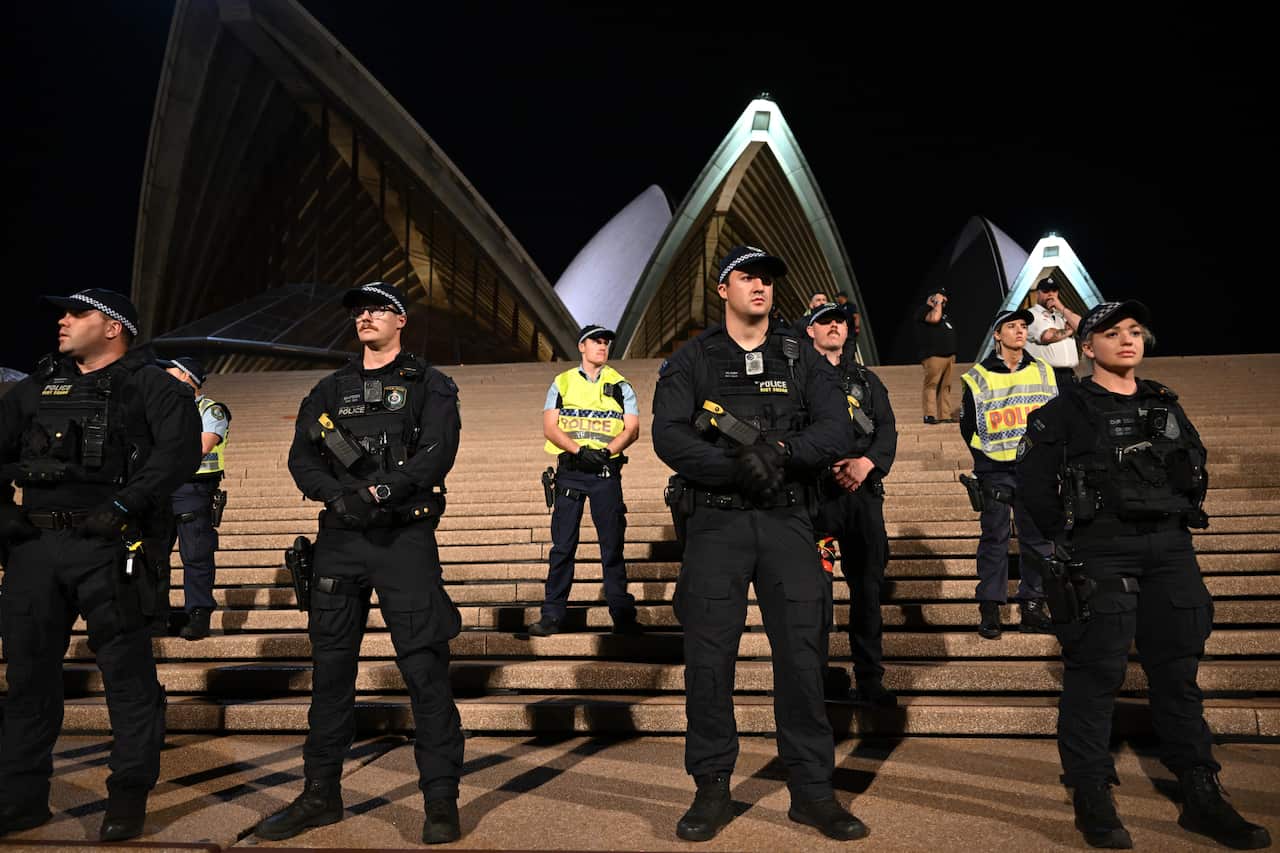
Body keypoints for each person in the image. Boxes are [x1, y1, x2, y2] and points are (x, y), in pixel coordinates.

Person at [1018, 301, 1271, 850]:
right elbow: (1032, 485)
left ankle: (1201, 794)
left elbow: (1193, 463)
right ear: (1088, 348)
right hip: (1102, 548)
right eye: (1112, 333)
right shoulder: (1064, 409)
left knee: (1178, 675)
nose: (1127, 340)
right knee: (1095, 675)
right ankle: (1091, 794)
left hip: (1170, 547)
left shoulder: (1165, 403)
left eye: (1134, 331)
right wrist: (1069, 545)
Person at [653, 245, 868, 842]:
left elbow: (836, 428)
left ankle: (813, 792)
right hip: (716, 525)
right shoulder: (691, 359)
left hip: (788, 522)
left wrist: (777, 453)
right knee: (709, 661)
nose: (760, 287)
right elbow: (669, 436)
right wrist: (734, 470)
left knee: (801, 657)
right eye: (746, 277)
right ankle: (712, 788)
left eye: (769, 279)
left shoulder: (802, 357)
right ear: (722, 288)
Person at [255, 281, 465, 845]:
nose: (365, 317)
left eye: (377, 309)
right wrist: (334, 496)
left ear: (401, 319)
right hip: (341, 541)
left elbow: (436, 454)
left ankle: (440, 799)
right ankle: (320, 794)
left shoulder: (432, 384)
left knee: (424, 672)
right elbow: (302, 454)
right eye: (359, 311)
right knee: (331, 677)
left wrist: (375, 494)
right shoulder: (329, 389)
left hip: (405, 540)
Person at [0, 289, 201, 842]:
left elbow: (178, 453)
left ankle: (127, 798)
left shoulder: (153, 384)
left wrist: (122, 507)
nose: (62, 321)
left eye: (77, 313)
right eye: (62, 313)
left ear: (114, 327)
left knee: (127, 677)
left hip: (110, 545)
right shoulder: (35, 389)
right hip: (35, 549)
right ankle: (20, 799)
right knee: (27, 679)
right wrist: (4, 517)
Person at [807, 303, 898, 707]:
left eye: (839, 321)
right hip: (819, 500)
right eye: (824, 321)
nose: (833, 326)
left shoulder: (867, 380)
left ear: (848, 332)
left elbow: (888, 430)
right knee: (815, 594)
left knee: (866, 592)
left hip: (862, 499)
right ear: (810, 332)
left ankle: (869, 678)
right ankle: (817, 676)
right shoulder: (798, 380)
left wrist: (864, 464)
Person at [529, 324, 640, 636]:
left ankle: (622, 615)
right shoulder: (562, 382)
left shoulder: (621, 384)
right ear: (581, 346)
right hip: (571, 474)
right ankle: (552, 615)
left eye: (606, 343)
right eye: (596, 342)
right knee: (563, 546)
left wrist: (605, 452)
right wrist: (579, 451)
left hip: (605, 472)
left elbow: (632, 428)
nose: (602, 347)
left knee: (612, 547)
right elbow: (550, 427)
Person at [959, 308, 1057, 639]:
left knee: (1038, 540)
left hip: (1036, 471)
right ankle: (990, 609)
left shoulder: (1044, 370)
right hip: (995, 470)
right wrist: (985, 461)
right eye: (1011, 326)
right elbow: (969, 426)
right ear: (997, 335)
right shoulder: (978, 376)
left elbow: (1057, 420)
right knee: (994, 539)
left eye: (1022, 326)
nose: (1019, 331)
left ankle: (1032, 606)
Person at [157, 356, 229, 641]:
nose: (163, 377)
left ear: (187, 377)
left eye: (170, 372)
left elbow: (200, 447)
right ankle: (156, 615)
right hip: (160, 490)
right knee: (153, 557)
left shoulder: (210, 410)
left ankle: (198, 614)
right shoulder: (161, 410)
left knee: (196, 555)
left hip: (193, 490)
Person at [1025, 277, 1082, 388]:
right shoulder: (1030, 315)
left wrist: (1061, 307)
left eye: (1054, 291)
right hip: (1045, 377)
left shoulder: (1061, 314)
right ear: (1038, 293)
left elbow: (1081, 325)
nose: (1051, 295)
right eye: (1046, 291)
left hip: (1069, 375)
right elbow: (1047, 336)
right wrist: (1069, 330)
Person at [916, 288, 957, 424]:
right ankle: (929, 415)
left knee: (946, 386)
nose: (943, 301)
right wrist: (937, 302)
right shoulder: (924, 310)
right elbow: (934, 318)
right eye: (940, 298)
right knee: (932, 385)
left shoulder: (944, 314)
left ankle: (945, 415)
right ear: (932, 298)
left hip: (949, 356)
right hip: (934, 356)